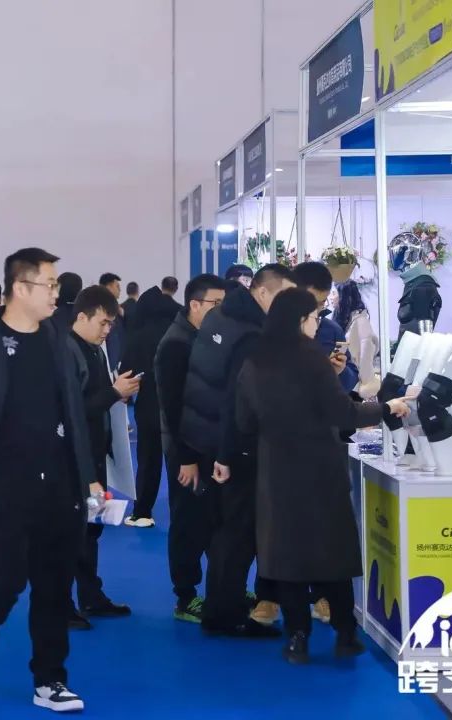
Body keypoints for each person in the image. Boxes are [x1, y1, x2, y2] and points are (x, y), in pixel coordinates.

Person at [0, 248, 93, 712]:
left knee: (55, 585)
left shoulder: (57, 337)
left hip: (58, 484)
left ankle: (50, 679)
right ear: (21, 288)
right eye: (50, 284)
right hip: (2, 483)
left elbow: (73, 409)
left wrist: (86, 476)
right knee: (3, 581)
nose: (56, 293)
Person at [236, 288, 411, 664]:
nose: (318, 324)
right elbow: (342, 413)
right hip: (319, 470)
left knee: (287, 557)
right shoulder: (311, 360)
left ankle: (297, 638)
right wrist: (385, 408)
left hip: (276, 473)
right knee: (331, 553)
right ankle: (345, 635)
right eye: (315, 317)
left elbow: (244, 420)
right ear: (301, 320)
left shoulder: (255, 361)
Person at [181, 263, 296, 636]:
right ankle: (225, 613)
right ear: (262, 292)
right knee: (239, 532)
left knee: (228, 531)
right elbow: (237, 397)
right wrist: (227, 454)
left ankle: (222, 606)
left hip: (209, 434)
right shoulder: (250, 333)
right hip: (235, 443)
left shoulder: (222, 316)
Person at [154, 274, 226, 623]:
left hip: (208, 446)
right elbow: (173, 407)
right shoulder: (176, 344)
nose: (221, 311)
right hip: (186, 451)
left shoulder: (205, 336)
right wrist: (186, 458)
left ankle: (220, 587)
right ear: (194, 304)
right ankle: (185, 596)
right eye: (216, 304)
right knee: (187, 523)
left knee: (212, 521)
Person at [68, 286, 140, 626]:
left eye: (111, 324)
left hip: (94, 452)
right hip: (73, 458)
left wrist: (115, 391)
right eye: (103, 323)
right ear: (82, 317)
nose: (107, 330)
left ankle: (90, 596)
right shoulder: (68, 353)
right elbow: (72, 411)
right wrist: (113, 392)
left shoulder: (95, 350)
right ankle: (62, 605)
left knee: (90, 529)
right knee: (70, 533)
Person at [120, 283, 182, 527]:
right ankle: (182, 512)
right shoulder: (179, 332)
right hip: (178, 406)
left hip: (148, 406)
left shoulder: (138, 336)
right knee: (180, 461)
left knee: (148, 460)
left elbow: (127, 371)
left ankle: (143, 512)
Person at [293, 262, 358, 395]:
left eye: (321, 302)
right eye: (308, 301)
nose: (314, 309)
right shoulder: (274, 329)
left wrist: (340, 371)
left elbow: (351, 379)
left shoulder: (332, 330)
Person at [333, 281, 381, 399]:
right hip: (346, 380)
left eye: (334, 293)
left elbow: (366, 355)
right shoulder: (348, 321)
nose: (331, 297)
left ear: (344, 297)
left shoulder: (360, 322)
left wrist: (367, 383)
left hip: (355, 385)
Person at [100, 272, 125, 370]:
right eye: (117, 286)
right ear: (109, 287)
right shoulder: (101, 309)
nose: (120, 290)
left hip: (115, 363)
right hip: (107, 363)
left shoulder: (116, 310)